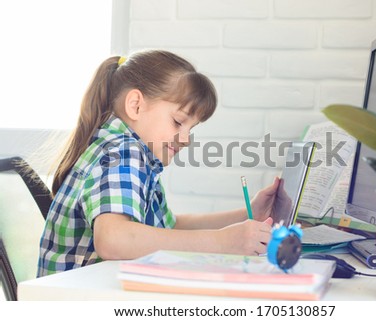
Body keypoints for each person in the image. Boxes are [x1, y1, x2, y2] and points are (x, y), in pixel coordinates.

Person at [37, 50, 280, 277]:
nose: (186, 139)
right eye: (178, 122)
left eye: (191, 128)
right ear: (136, 105)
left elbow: (171, 227)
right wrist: (223, 242)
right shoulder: (122, 152)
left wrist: (250, 214)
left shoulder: (136, 156)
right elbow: (113, 239)